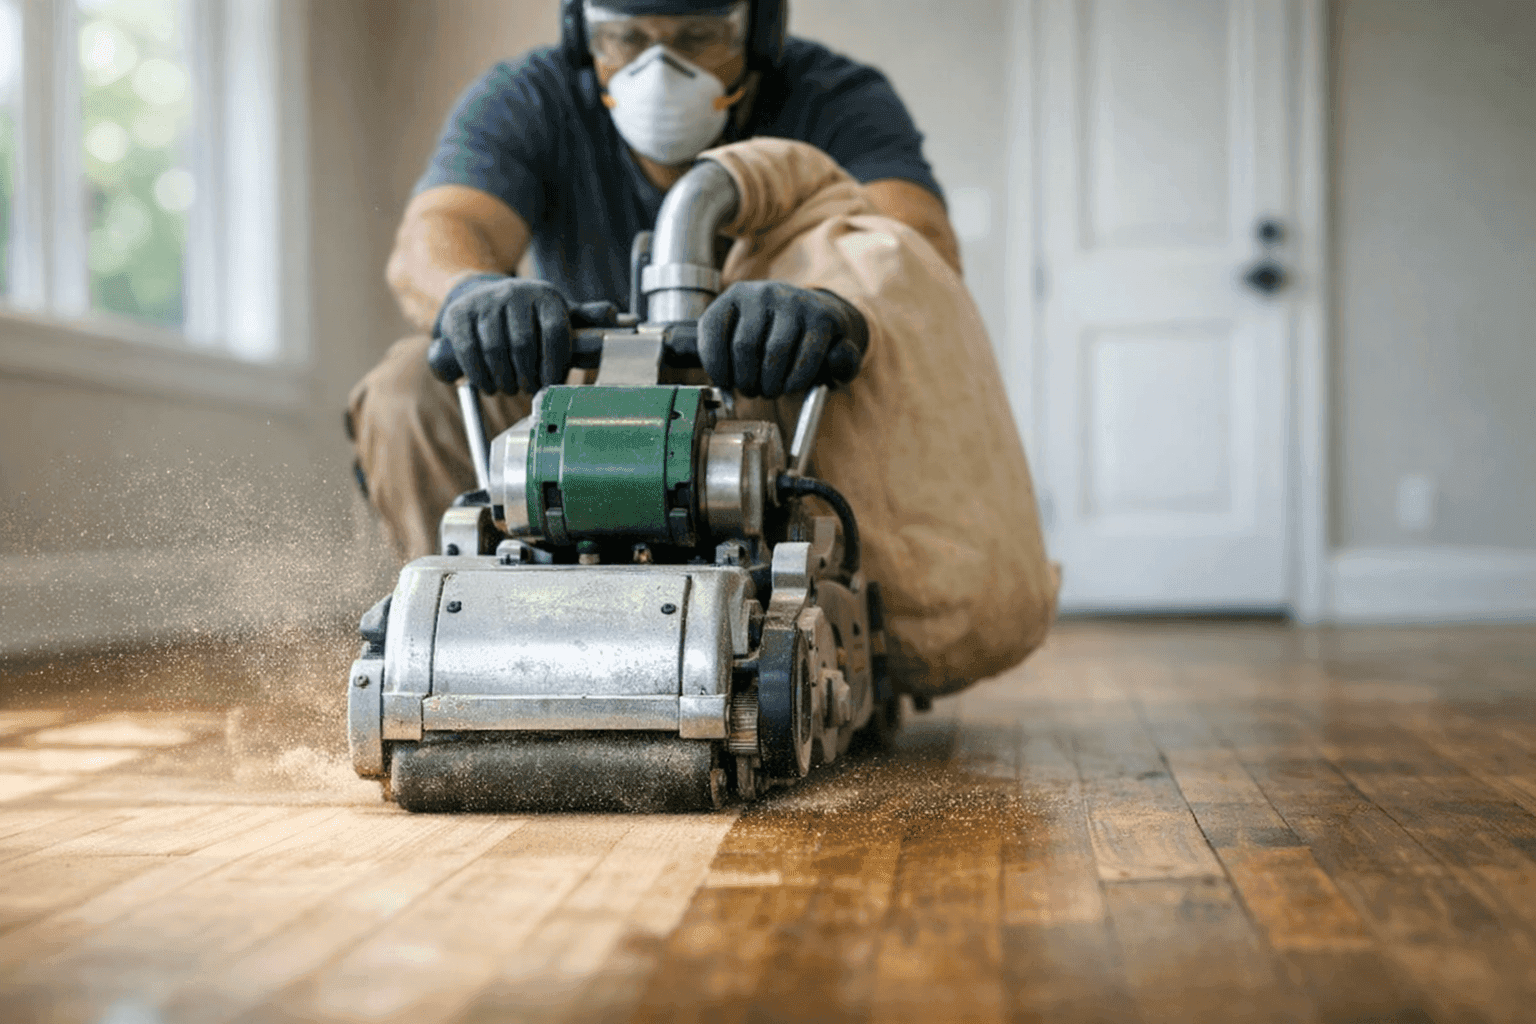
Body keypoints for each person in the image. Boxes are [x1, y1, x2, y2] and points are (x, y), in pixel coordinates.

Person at [349, 0, 964, 560]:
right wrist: (475, 295)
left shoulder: (834, 98)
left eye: (698, 36)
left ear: (760, 31)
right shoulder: (532, 97)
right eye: (625, 37)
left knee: (854, 391)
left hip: (769, 386)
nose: (659, 67)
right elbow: (437, 234)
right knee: (409, 392)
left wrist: (831, 305)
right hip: (576, 390)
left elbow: (918, 246)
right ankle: (462, 633)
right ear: (581, 34)